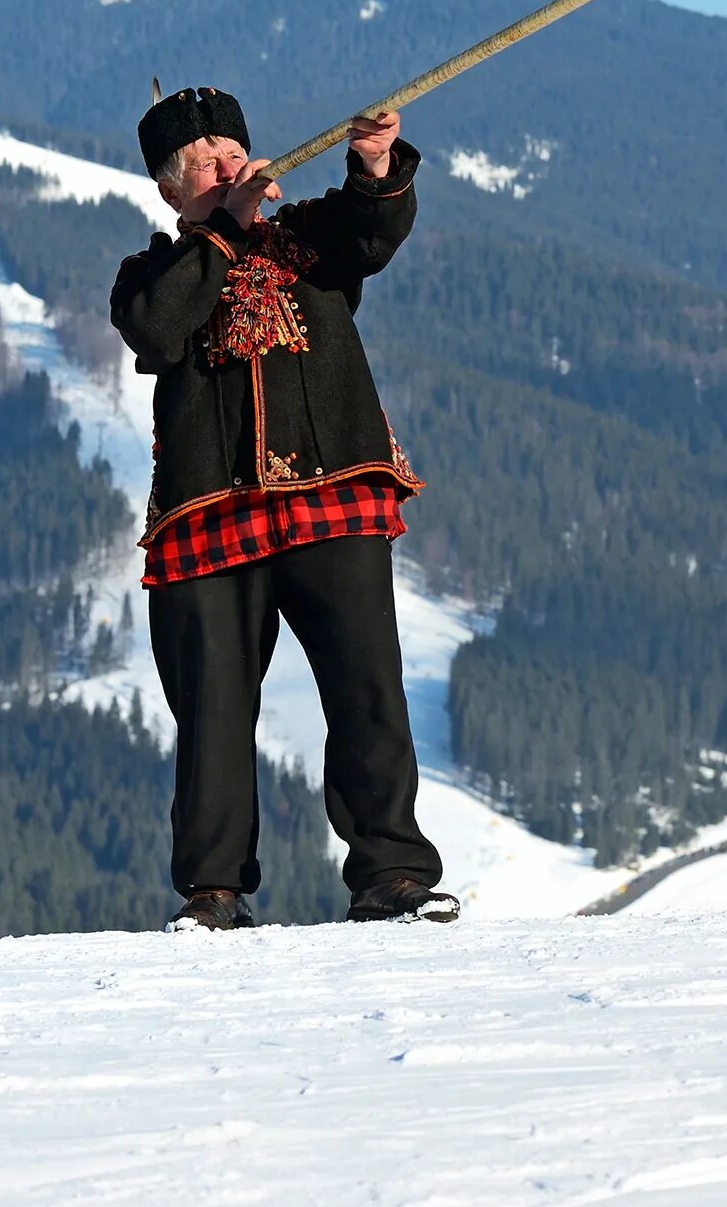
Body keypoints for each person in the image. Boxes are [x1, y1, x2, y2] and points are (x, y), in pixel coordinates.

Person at [110, 85, 456, 929]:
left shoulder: (309, 238)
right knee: (214, 711)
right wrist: (224, 228)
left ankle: (392, 876)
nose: (230, 170)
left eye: (236, 155)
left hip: (333, 497)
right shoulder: (150, 275)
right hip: (207, 518)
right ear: (170, 190)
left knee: (367, 687)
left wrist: (375, 162)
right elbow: (160, 327)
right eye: (206, 165)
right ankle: (214, 891)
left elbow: (372, 231)